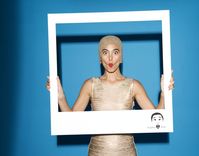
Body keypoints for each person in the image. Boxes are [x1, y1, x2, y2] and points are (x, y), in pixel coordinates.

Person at [46, 35, 174, 156]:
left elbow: (158, 118)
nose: (110, 58)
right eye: (105, 52)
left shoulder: (133, 85)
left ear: (121, 57)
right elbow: (71, 122)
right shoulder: (90, 85)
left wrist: (164, 93)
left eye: (115, 52)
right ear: (100, 58)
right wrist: (60, 96)